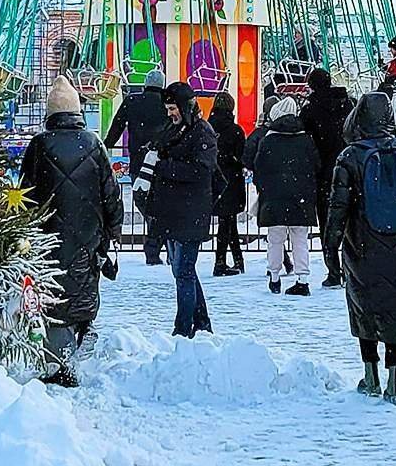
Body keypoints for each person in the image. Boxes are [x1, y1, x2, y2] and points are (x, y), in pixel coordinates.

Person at [325, 91, 396, 405]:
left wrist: (331, 247)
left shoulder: (350, 157)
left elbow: (338, 207)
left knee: (366, 309)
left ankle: (371, 373)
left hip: (363, 245)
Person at [19, 79, 122, 385]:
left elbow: (25, 191)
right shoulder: (92, 144)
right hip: (88, 236)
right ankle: (80, 340)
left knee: (53, 293)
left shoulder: (39, 145)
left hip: (47, 235)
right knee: (81, 287)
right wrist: (113, 227)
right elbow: (110, 193)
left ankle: (57, 356)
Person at [136, 81, 219, 337]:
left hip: (191, 212)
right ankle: (202, 322)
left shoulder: (202, 132)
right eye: (168, 108)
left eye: (173, 108)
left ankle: (183, 329)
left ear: (185, 106)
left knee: (183, 271)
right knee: (183, 270)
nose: (170, 113)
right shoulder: (175, 130)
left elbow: (201, 170)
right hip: (175, 211)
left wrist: (163, 166)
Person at [247, 96, 319, 294]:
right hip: (301, 196)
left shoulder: (269, 140)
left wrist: (264, 188)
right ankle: (303, 279)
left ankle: (275, 277)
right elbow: (316, 166)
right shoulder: (305, 138)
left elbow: (258, 167)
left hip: (274, 197)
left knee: (275, 238)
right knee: (300, 239)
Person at [105, 72, 172, 264]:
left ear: (145, 84)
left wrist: (107, 144)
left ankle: (154, 243)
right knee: (160, 205)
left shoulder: (132, 101)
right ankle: (159, 243)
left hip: (138, 161)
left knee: (143, 201)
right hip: (161, 162)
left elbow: (117, 126)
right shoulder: (166, 103)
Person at [299, 67, 355, 288]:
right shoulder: (347, 104)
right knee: (351, 221)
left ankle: (333, 271)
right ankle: (351, 268)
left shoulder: (311, 110)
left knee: (328, 223)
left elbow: (303, 135)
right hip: (348, 168)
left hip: (324, 173)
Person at [207, 95, 247, 276]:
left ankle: (237, 260)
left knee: (228, 221)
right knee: (227, 221)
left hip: (212, 180)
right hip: (231, 180)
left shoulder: (207, 129)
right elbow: (242, 157)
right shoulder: (235, 131)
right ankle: (220, 262)